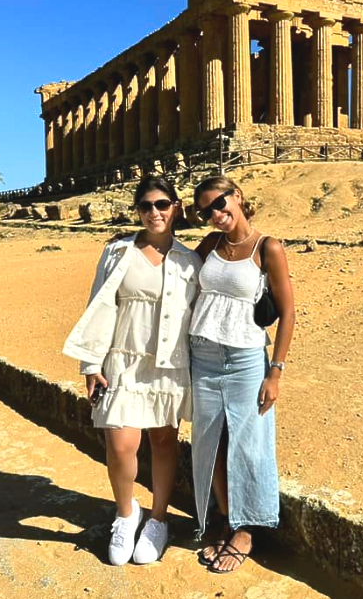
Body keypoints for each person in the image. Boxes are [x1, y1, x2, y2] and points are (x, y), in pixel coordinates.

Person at [63, 175, 201, 566]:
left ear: (176, 207)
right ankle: (126, 514)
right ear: (137, 211)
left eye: (162, 204)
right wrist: (91, 365)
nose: (154, 212)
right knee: (121, 445)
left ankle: (158, 519)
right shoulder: (116, 252)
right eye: (146, 206)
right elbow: (98, 306)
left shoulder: (189, 260)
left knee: (163, 443)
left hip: (168, 366)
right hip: (122, 361)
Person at [189, 176, 295, 574]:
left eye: (219, 203)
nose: (215, 214)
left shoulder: (268, 247)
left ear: (238, 196)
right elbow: (178, 273)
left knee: (249, 442)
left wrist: (276, 371)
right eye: (205, 211)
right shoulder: (210, 245)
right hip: (203, 353)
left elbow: (288, 313)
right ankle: (225, 518)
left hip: (247, 357)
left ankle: (247, 528)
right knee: (211, 440)